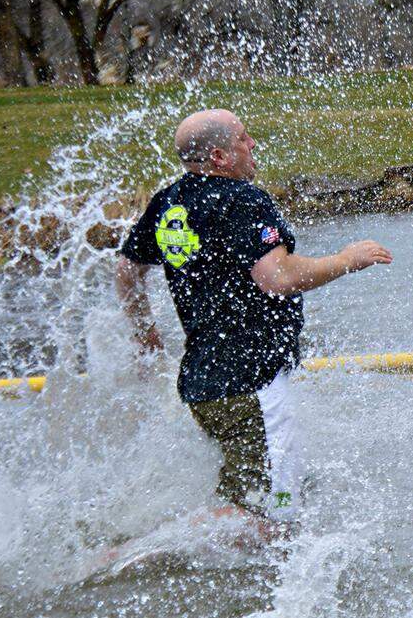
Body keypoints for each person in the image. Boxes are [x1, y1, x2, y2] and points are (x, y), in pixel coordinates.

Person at [116, 109, 392, 523]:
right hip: (253, 384)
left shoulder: (169, 202)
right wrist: (345, 260)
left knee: (249, 500)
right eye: (244, 138)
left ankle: (187, 553)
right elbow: (277, 278)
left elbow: (125, 271)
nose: (253, 145)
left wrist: (145, 336)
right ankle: (142, 555)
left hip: (204, 385)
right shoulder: (245, 200)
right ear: (220, 156)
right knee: (277, 516)